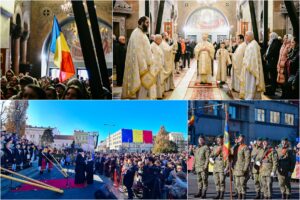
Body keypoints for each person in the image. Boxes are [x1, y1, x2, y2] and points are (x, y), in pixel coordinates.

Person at [121, 16, 153, 99]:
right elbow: (139, 53)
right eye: (147, 22)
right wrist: (145, 66)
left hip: (142, 66)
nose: (148, 25)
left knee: (142, 92)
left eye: (149, 23)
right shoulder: (137, 34)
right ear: (141, 23)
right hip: (141, 68)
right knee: (141, 92)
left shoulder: (140, 33)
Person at [239, 31, 265, 99]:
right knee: (250, 84)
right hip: (250, 68)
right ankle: (254, 97)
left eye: (246, 35)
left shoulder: (253, 45)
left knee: (251, 84)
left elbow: (252, 58)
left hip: (251, 69)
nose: (245, 37)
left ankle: (250, 97)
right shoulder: (252, 44)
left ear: (250, 36)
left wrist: (245, 63)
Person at [210, 135, 228, 199]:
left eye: (219, 139)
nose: (218, 140)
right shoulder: (215, 147)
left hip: (222, 167)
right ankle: (218, 194)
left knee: (222, 181)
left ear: (222, 139)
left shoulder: (225, 147)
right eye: (217, 139)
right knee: (216, 181)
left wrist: (227, 167)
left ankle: (221, 195)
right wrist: (211, 159)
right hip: (215, 166)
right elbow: (211, 155)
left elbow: (227, 158)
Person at [233, 134, 250, 199]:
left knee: (242, 184)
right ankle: (239, 196)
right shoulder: (235, 147)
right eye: (239, 138)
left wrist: (245, 169)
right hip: (236, 168)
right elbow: (231, 154)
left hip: (242, 169)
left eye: (241, 138)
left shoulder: (245, 147)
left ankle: (243, 197)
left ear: (243, 139)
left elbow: (247, 159)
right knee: (237, 184)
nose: (239, 139)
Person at [150, 34, 165, 99]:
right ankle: (155, 95)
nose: (161, 41)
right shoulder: (152, 46)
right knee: (155, 83)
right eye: (160, 39)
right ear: (157, 40)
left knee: (159, 82)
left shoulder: (157, 46)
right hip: (155, 68)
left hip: (159, 67)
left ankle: (159, 94)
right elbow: (153, 57)